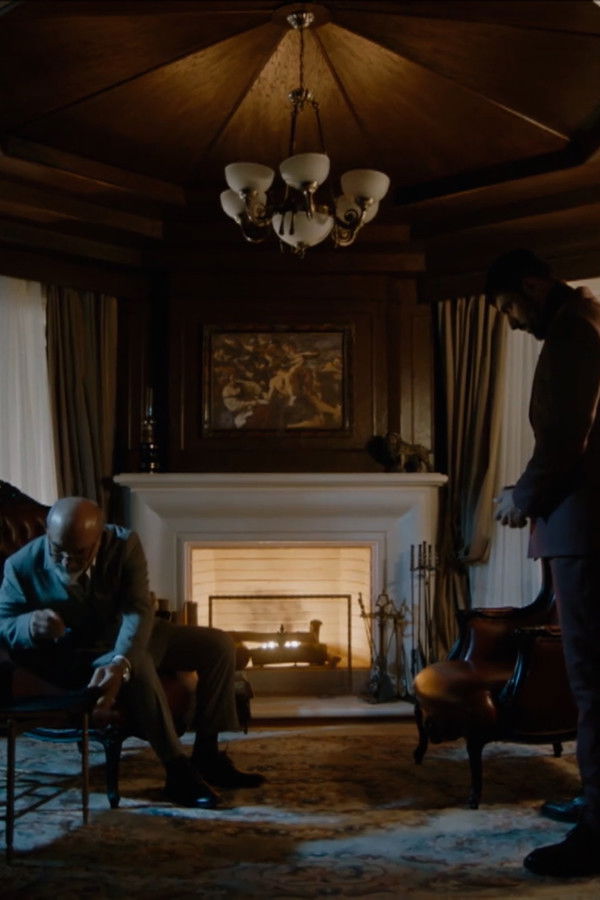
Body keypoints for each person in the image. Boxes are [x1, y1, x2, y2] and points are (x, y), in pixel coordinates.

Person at [0, 496, 264, 809]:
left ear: (99, 538)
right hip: (83, 651)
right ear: (48, 534)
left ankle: (207, 754)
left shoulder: (124, 545)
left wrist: (121, 660)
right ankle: (177, 771)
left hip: (133, 634)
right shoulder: (20, 566)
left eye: (79, 552)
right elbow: (4, 623)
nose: (67, 561)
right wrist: (30, 625)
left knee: (218, 645)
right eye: (58, 550)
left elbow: (138, 611)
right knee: (140, 664)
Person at [485, 249, 600, 877]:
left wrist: (520, 498)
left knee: (592, 682)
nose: (509, 321)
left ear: (532, 286)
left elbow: (563, 437)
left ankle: (598, 831)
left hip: (585, 532)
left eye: (507, 307)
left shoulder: (572, 333)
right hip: (581, 528)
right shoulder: (584, 324)